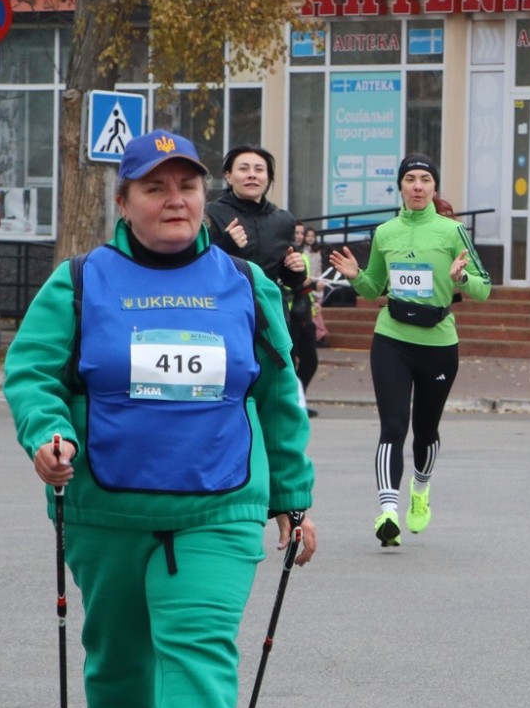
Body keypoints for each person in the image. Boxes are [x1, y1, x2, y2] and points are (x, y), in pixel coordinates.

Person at [2, 130, 317, 708]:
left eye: (187, 186)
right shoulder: (81, 281)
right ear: (124, 201)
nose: (175, 200)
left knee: (200, 642)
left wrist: (294, 498)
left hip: (220, 503)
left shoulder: (246, 283)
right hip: (106, 505)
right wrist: (47, 434)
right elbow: (32, 374)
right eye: (155, 187)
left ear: (204, 196)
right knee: (118, 649)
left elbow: (279, 394)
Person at [327, 152, 488, 545]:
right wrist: (356, 277)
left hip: (438, 343)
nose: (417, 186)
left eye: (425, 180)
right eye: (410, 179)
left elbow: (484, 288)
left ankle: (420, 489)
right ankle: (387, 512)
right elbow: (373, 289)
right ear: (400, 186)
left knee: (425, 430)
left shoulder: (452, 232)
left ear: (434, 187)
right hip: (392, 339)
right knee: (393, 426)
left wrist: (462, 278)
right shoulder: (385, 233)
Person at [209, 145, 307, 323]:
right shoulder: (210, 213)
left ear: (268, 178)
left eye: (259, 170)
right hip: (225, 310)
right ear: (228, 176)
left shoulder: (284, 220)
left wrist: (295, 269)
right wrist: (225, 244)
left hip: (271, 314)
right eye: (243, 169)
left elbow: (292, 281)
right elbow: (197, 264)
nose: (252, 175)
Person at [287, 223, 322, 403]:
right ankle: (292, 402)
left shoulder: (304, 256)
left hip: (306, 315)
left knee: (310, 361)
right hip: (289, 315)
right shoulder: (285, 255)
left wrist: (314, 297)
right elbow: (285, 285)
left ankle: (300, 398)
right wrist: (308, 284)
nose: (299, 236)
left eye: (302, 233)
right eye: (296, 232)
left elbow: (306, 283)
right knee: (290, 363)